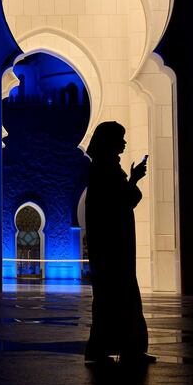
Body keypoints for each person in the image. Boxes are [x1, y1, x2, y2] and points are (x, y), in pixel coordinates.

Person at [83, 121, 155, 365]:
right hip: (112, 248)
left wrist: (131, 180)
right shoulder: (104, 170)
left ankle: (120, 347)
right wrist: (133, 181)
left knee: (113, 296)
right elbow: (118, 203)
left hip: (113, 246)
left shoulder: (107, 168)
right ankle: (116, 348)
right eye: (120, 138)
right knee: (115, 295)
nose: (124, 142)